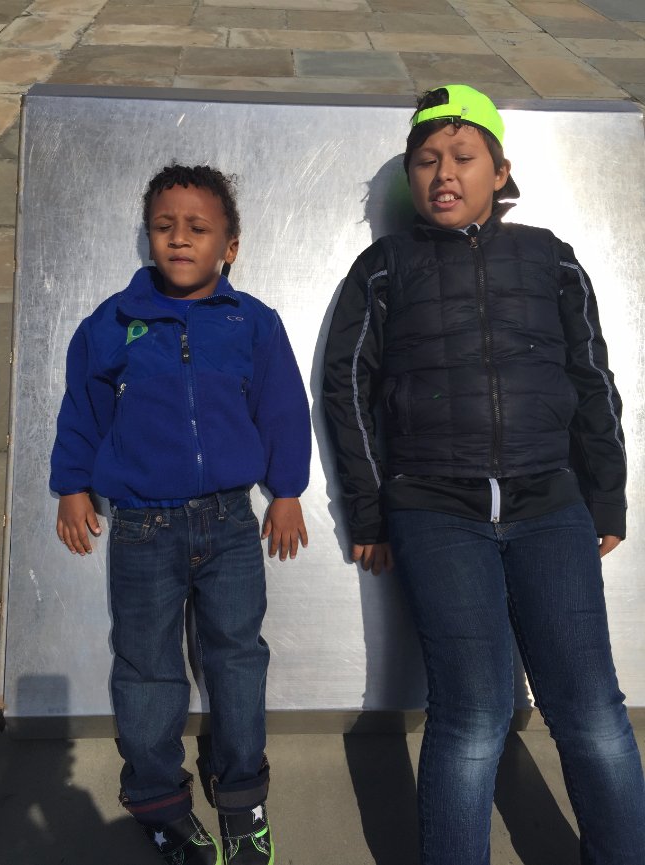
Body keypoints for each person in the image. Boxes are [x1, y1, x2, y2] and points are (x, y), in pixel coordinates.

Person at [323, 85, 645, 864]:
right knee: (472, 712)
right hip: (436, 511)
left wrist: (606, 494)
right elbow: (346, 387)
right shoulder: (383, 267)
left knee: (591, 708)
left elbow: (593, 377)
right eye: (426, 160)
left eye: (463, 157)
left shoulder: (550, 258)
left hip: (551, 503)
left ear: (499, 172)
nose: (444, 173)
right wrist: (369, 511)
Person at [51, 164, 311, 865]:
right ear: (148, 238)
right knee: (147, 667)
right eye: (164, 227)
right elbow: (83, 409)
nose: (179, 239)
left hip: (230, 524)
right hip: (142, 528)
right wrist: (72, 485)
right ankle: (158, 801)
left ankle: (243, 797)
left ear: (230, 245)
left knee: (237, 658)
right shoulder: (112, 324)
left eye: (198, 227)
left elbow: (283, 408)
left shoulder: (253, 323)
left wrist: (287, 490)